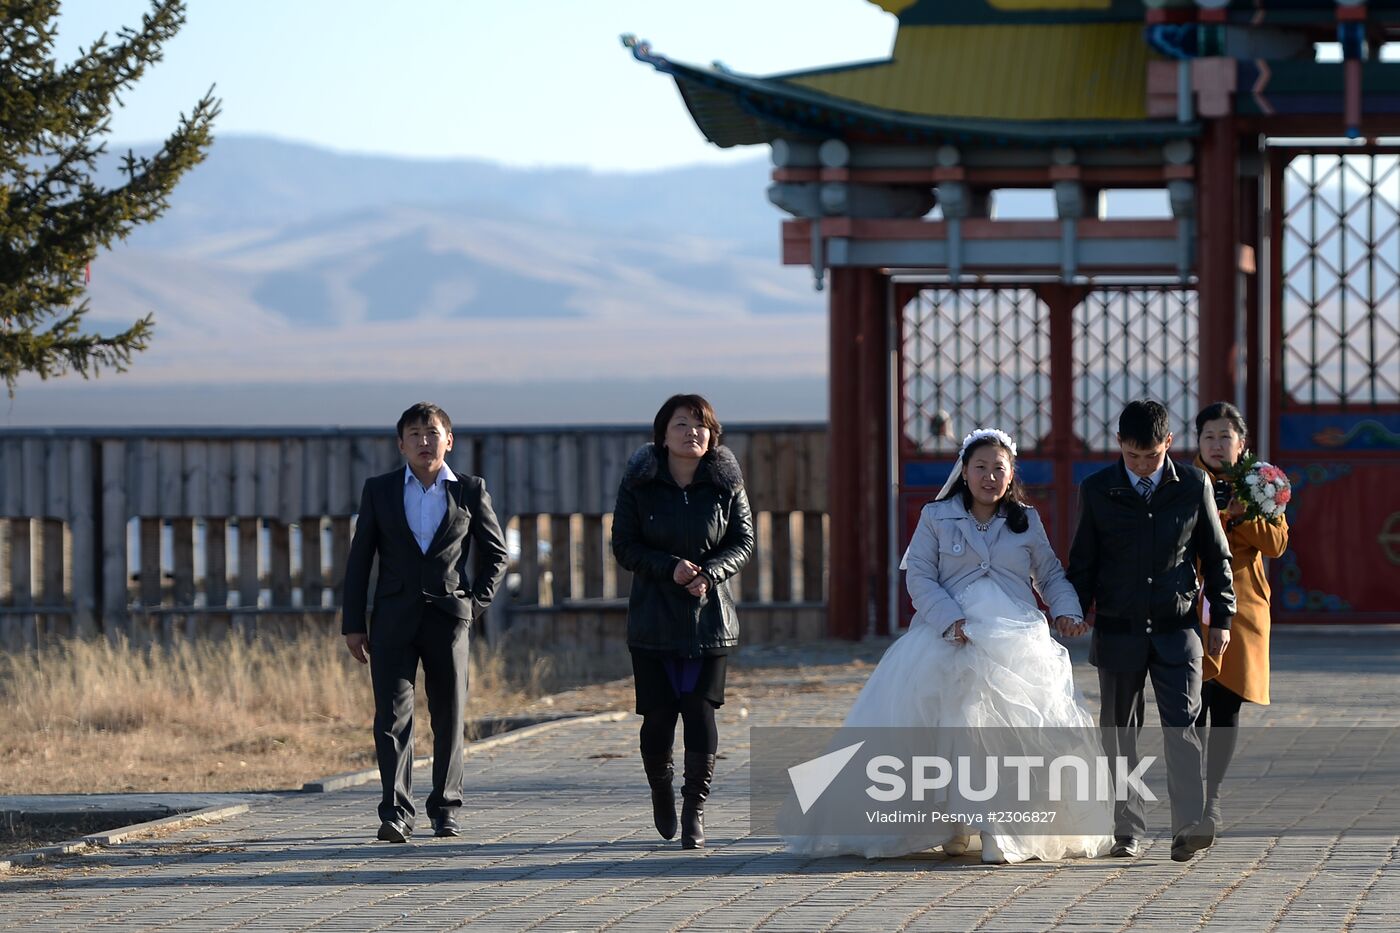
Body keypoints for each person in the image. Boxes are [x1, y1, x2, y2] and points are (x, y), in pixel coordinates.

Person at [785, 428, 1112, 864]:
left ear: (1012, 473)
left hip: (1014, 641)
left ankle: (999, 826)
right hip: (950, 636)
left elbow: (1049, 574)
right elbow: (919, 575)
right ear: (964, 471)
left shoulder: (1026, 520)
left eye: (999, 468)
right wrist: (949, 620)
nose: (990, 477)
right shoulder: (936, 516)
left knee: (1008, 735)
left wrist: (1066, 610)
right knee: (948, 729)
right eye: (980, 467)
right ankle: (954, 822)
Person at [1065, 399, 1236, 862]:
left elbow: (1217, 556)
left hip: (1176, 628)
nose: (1142, 466)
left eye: (1152, 457)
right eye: (1133, 456)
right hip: (1119, 630)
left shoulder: (1193, 485)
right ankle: (1128, 831)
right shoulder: (1097, 489)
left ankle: (1187, 827)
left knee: (1182, 726)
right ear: (1119, 444)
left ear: (1168, 444)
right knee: (1120, 733)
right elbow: (1083, 562)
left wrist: (1221, 617)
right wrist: (1073, 612)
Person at [341, 402, 509, 843]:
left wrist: (473, 605)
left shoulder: (469, 490)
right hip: (393, 619)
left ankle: (446, 807)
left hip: (448, 619)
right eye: (414, 434)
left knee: (449, 715)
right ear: (401, 444)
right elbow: (360, 560)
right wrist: (353, 623)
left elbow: (497, 554)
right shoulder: (379, 490)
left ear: (448, 441)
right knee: (391, 717)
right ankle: (396, 811)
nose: (423, 441)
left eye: (432, 433)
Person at [611, 394, 754, 850]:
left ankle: (695, 808)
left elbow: (743, 540)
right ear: (662, 434)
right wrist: (669, 567)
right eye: (680, 424)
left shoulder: (725, 483)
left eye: (700, 424)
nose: (691, 432)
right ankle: (661, 788)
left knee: (699, 710)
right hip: (654, 619)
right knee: (658, 718)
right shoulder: (640, 483)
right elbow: (624, 545)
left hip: (709, 619)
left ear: (712, 435)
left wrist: (710, 574)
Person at [1193, 401, 1288, 842]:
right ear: (1196, 442)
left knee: (1226, 702)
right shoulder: (1182, 480)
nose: (1216, 445)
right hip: (1190, 601)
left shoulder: (1260, 484)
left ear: (1242, 443)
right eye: (1209, 437)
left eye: (1225, 437)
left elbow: (1277, 544)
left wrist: (1240, 513)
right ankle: (1192, 797)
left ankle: (1212, 799)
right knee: (1191, 702)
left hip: (1244, 606)